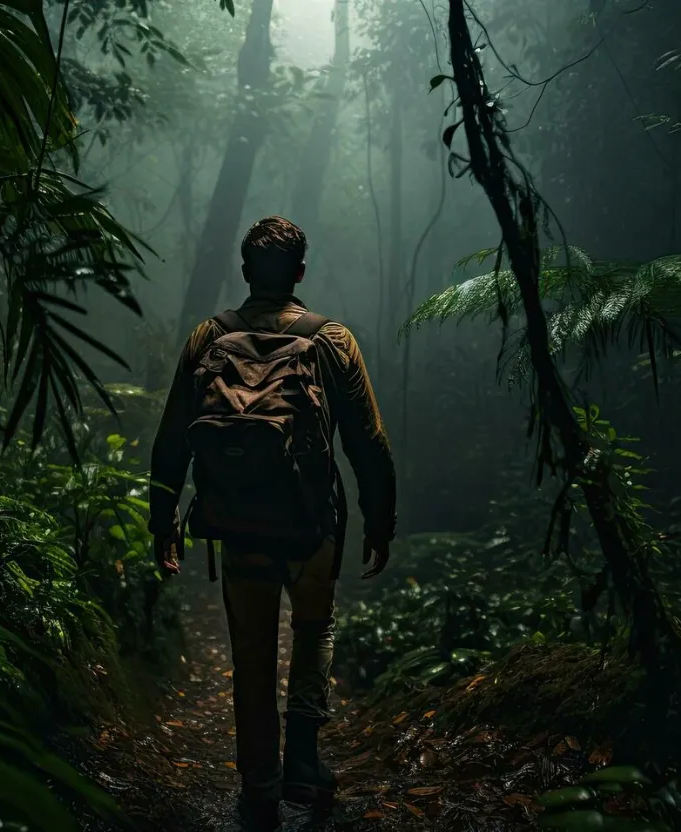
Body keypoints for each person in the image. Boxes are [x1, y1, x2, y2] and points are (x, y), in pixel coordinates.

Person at [149, 216, 397, 831]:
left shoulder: (209, 337)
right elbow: (368, 441)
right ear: (301, 273)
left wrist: (164, 519)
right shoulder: (331, 340)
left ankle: (259, 785)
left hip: (239, 524)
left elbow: (174, 434)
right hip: (313, 526)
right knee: (313, 632)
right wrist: (379, 520)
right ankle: (304, 763)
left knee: (253, 652)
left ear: (244, 270)